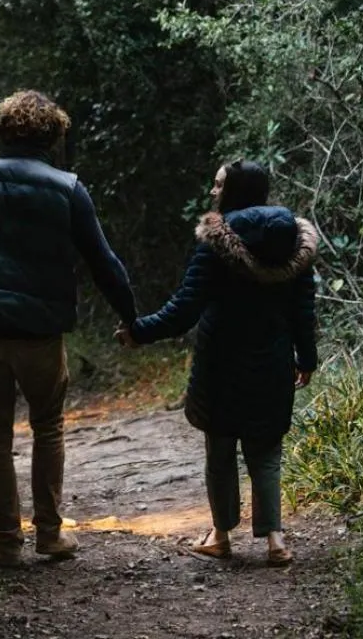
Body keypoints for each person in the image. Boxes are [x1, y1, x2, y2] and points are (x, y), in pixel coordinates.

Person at [0, 90, 137, 568]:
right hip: (39, 332)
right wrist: (132, 317)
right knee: (47, 428)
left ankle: (7, 542)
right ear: (54, 136)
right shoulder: (67, 188)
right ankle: (50, 535)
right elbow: (104, 263)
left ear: (2, 131)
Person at [117, 160, 319, 566]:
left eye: (219, 184)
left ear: (236, 191)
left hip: (221, 363)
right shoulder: (292, 243)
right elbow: (303, 311)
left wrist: (139, 332)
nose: (213, 191)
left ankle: (221, 535)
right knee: (266, 451)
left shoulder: (214, 243)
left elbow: (184, 309)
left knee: (221, 450)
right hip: (273, 361)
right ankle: (275, 541)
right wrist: (307, 358)